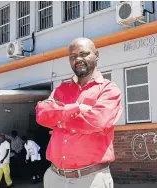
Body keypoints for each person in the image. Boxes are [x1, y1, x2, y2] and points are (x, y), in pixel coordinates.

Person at [36, 37, 122, 188]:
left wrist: (58, 118)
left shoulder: (109, 90)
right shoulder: (61, 89)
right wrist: (76, 108)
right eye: (73, 56)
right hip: (54, 178)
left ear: (96, 54)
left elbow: (97, 122)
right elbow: (42, 115)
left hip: (90, 179)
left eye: (83, 54)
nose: (78, 59)